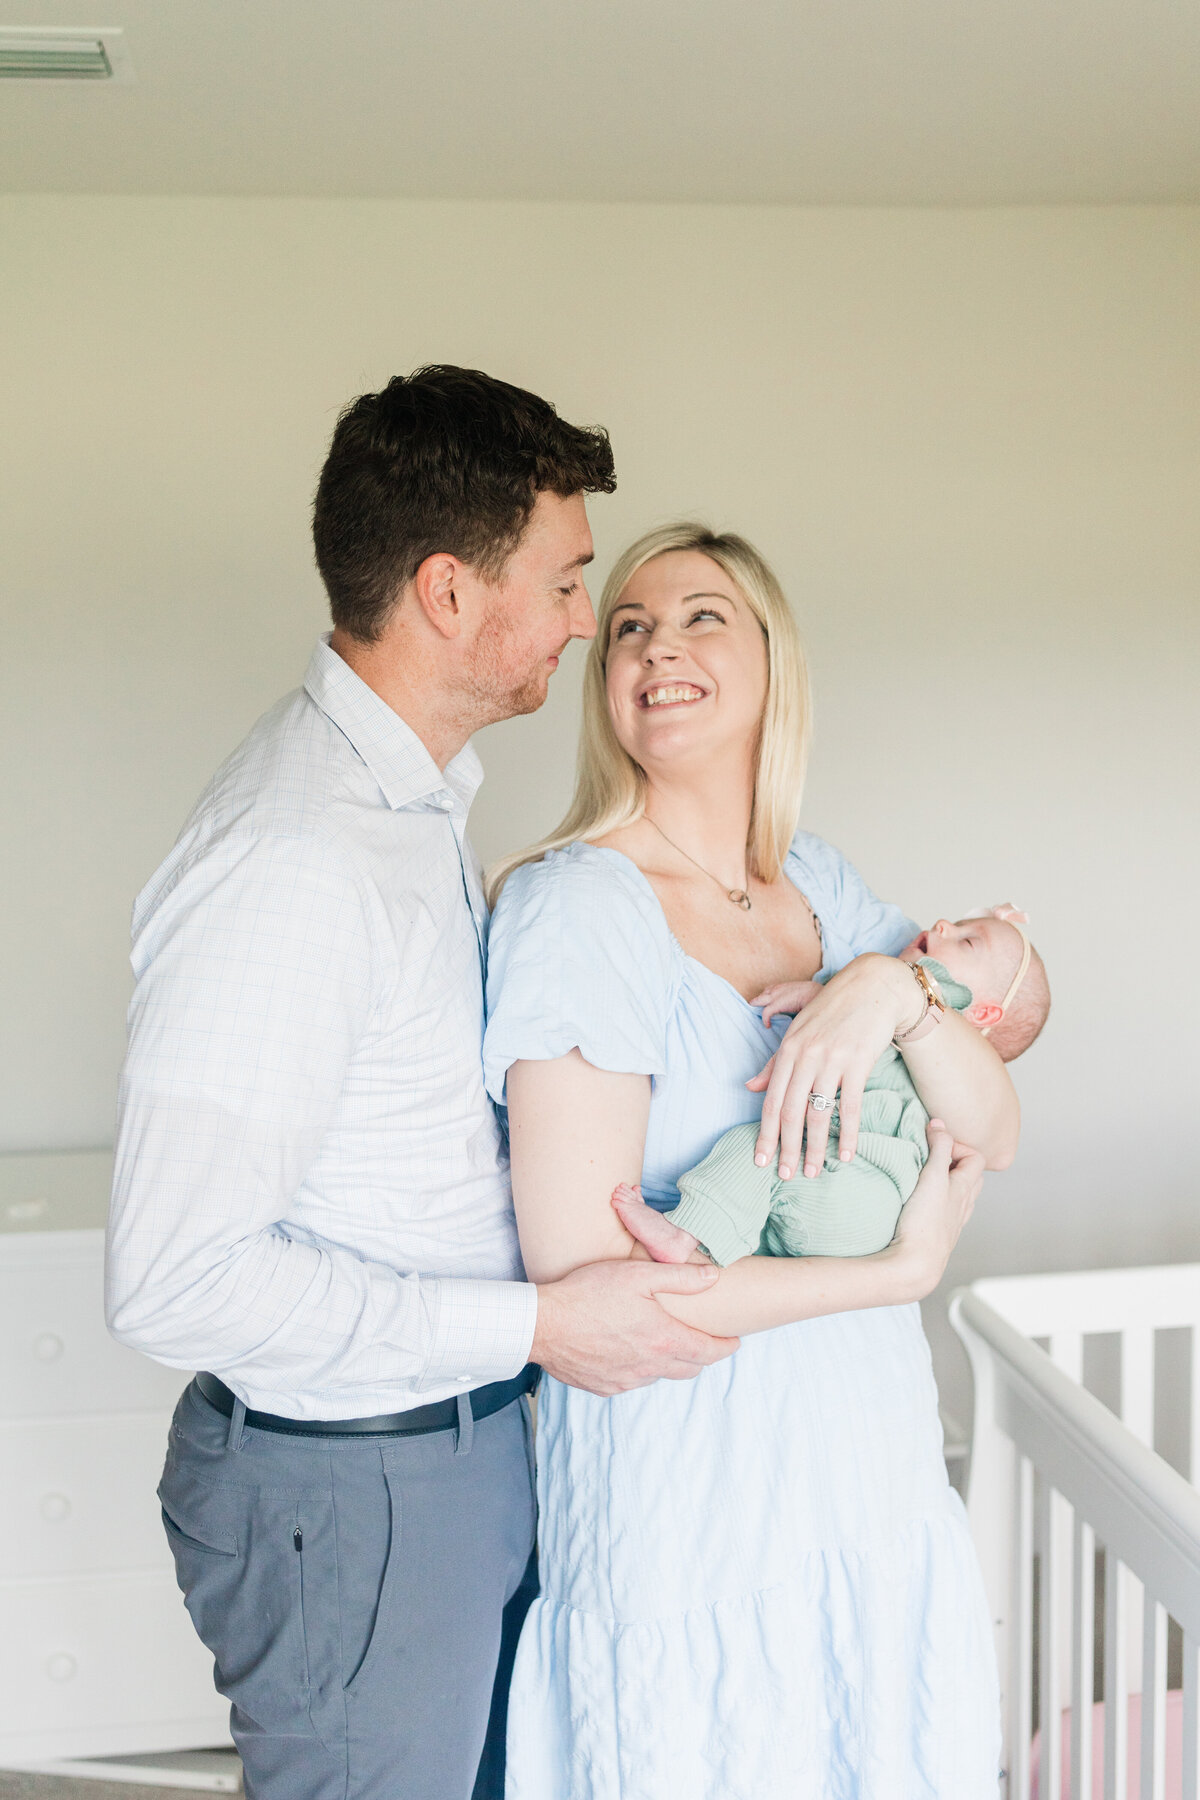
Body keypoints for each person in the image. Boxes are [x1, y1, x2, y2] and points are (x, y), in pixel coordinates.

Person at [105, 370, 738, 1800]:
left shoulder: (402, 809)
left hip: (431, 1464)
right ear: (451, 595)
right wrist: (540, 1321)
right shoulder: (298, 854)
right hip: (357, 1490)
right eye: (571, 582)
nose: (590, 623)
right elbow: (171, 1278)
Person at [482, 521, 1020, 1798]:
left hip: (866, 1476)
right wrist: (896, 1272)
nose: (657, 643)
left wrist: (892, 993)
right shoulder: (577, 906)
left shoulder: (826, 892)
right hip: (690, 1505)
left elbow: (992, 1129)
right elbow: (590, 1294)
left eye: (701, 615)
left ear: (775, 665)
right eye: (627, 625)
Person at [615, 905, 1050, 1267]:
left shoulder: (942, 997)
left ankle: (683, 1233)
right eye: (958, 922)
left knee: (758, 1147)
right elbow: (861, 1013)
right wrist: (827, 994)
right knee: (770, 1189)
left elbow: (892, 1003)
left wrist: (826, 994)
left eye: (968, 941)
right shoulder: (932, 1062)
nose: (943, 926)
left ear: (984, 1015)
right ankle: (713, 1245)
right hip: (865, 1213)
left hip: (861, 1188)